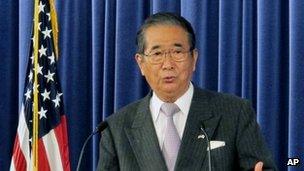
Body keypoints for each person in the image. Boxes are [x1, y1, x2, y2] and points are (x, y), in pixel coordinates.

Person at [97, 12, 277, 171]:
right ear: (141, 63)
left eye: (177, 52)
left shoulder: (235, 112)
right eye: (157, 54)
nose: (168, 65)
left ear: (194, 58)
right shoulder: (116, 128)